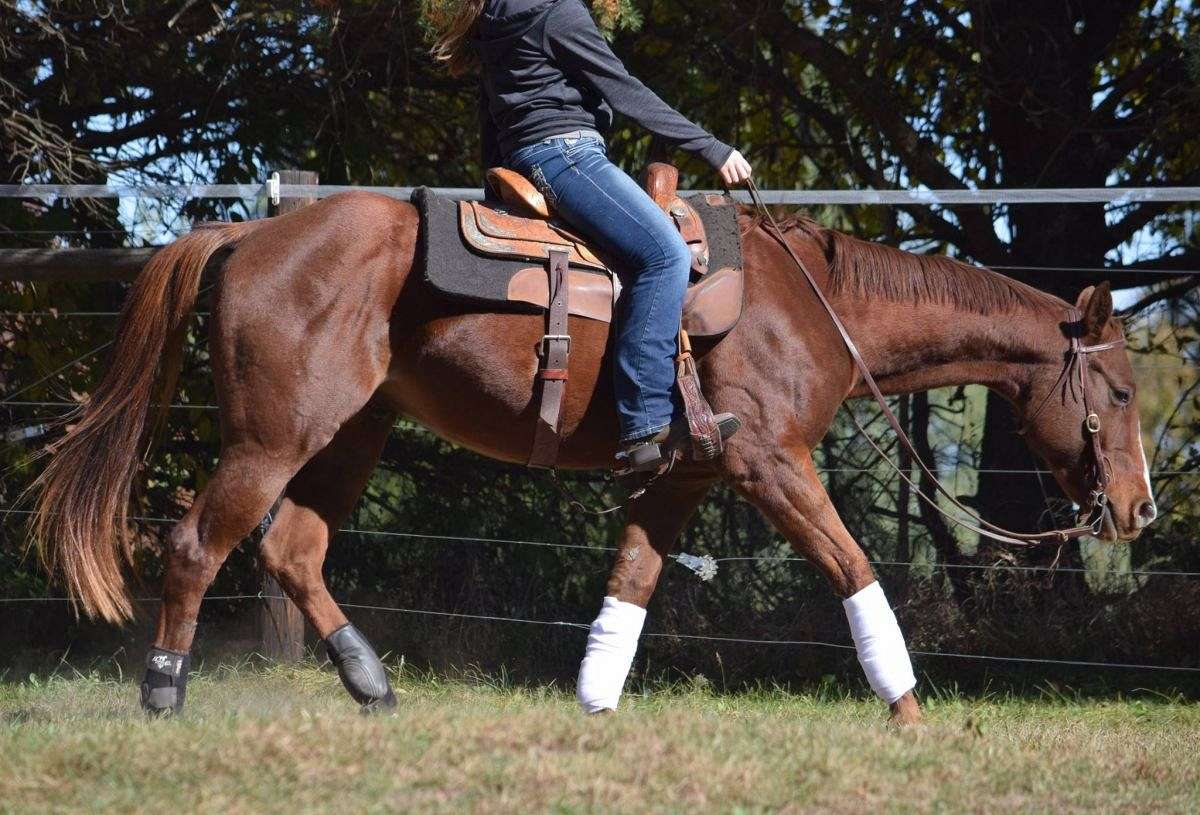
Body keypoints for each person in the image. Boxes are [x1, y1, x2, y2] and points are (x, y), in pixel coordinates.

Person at [432, 0, 749, 471]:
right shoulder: (558, 12)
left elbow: (490, 115)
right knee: (665, 255)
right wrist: (711, 148)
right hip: (568, 155)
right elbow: (624, 90)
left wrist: (495, 182)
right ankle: (646, 421)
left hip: (526, 158)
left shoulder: (496, 15)